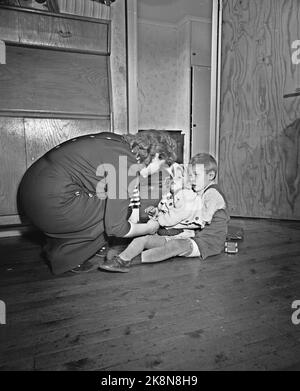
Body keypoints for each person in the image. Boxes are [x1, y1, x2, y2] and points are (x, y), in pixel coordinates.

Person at [19, 130, 176, 275]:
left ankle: (88, 245)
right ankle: (67, 257)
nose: (156, 172)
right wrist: (147, 228)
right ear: (156, 156)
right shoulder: (126, 165)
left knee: (116, 203)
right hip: (51, 204)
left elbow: (126, 187)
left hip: (34, 194)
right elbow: (117, 228)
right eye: (160, 166)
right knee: (116, 214)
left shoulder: (120, 144)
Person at [99, 153, 230, 273]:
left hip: (208, 243)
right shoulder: (197, 192)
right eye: (190, 175)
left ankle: (131, 259)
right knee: (144, 239)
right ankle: (121, 258)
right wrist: (161, 213)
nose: (192, 179)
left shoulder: (212, 193)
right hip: (190, 236)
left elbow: (202, 218)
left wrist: (167, 220)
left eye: (196, 175)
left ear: (211, 175)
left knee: (175, 245)